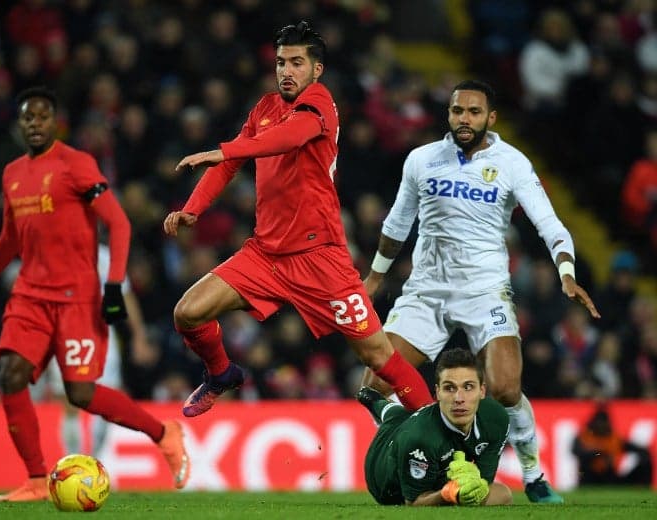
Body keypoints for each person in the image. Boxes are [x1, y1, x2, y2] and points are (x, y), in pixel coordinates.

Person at [162, 21, 433, 418]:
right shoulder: (266, 108)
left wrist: (222, 150)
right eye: (281, 63)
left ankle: (444, 439)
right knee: (187, 313)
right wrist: (193, 208)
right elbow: (235, 161)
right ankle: (221, 374)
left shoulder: (320, 103)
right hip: (267, 254)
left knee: (379, 357)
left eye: (297, 63)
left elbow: (287, 139)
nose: (287, 71)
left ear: (316, 70)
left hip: (320, 256)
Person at [361, 79, 600, 504]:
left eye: (473, 112)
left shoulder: (512, 163)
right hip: (426, 290)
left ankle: (534, 473)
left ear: (491, 118)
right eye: (457, 112)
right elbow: (397, 224)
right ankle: (415, 462)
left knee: (506, 389)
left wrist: (566, 271)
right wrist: (376, 277)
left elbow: (550, 224)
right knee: (374, 385)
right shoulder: (422, 159)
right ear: (448, 115)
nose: (463, 119)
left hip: (485, 290)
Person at [0, 86, 189, 502]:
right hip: (30, 294)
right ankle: (35, 479)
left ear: (56, 121)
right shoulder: (13, 173)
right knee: (11, 373)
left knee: (80, 394)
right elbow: (9, 238)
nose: (35, 124)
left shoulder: (76, 165)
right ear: (20, 124)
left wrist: (113, 286)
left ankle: (164, 433)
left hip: (77, 297)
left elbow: (119, 225)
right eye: (28, 118)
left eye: (42, 117)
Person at [31, 242, 156, 458]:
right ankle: (73, 462)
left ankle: (96, 462)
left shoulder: (105, 256)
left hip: (101, 335)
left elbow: (125, 296)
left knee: (106, 401)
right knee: (70, 402)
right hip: (65, 335)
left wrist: (138, 337)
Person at [359, 348, 513, 506]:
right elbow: (414, 502)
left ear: (482, 391)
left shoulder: (496, 419)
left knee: (504, 494)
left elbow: (483, 483)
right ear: (437, 393)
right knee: (397, 419)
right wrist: (449, 494)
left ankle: (379, 404)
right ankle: (377, 403)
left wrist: (471, 487)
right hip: (385, 479)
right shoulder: (420, 438)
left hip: (429, 452)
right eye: (449, 388)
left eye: (468, 387)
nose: (459, 398)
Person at [572, 403, 653, 486]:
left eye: (604, 423)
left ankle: (643, 488)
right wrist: (599, 452)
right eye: (600, 422)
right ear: (594, 423)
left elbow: (640, 451)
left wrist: (644, 452)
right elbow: (576, 451)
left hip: (610, 478)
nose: (602, 426)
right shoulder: (584, 437)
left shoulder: (614, 439)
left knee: (646, 461)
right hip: (589, 477)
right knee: (584, 466)